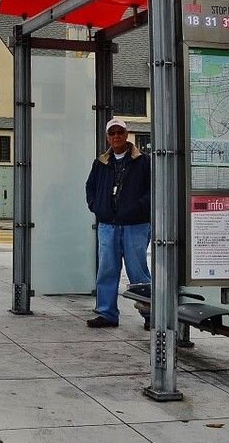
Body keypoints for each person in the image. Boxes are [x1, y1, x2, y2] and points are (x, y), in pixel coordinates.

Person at [85, 117, 152, 329]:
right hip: (108, 226)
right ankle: (107, 313)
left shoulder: (144, 161)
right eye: (112, 133)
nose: (116, 136)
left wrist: (139, 207)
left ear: (127, 134)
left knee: (138, 272)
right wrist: (97, 206)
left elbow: (153, 189)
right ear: (107, 137)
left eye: (120, 132)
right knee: (106, 270)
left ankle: (151, 315)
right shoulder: (101, 163)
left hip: (136, 226)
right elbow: (91, 187)